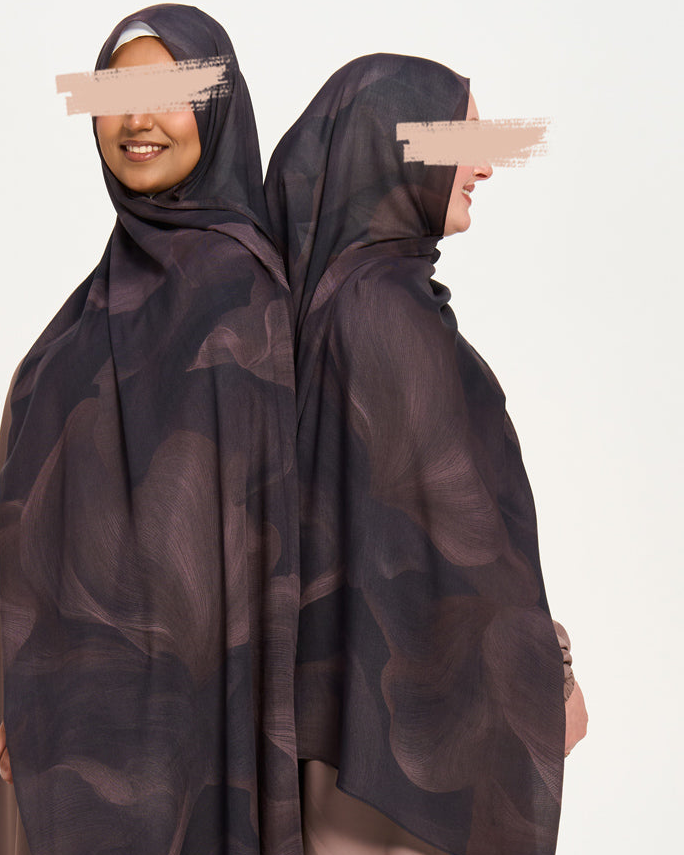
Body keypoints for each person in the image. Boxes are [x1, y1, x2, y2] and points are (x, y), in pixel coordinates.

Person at [0, 6, 302, 854]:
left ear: (218, 107)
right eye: (116, 96)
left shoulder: (248, 303)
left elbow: (241, 555)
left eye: (170, 94)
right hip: (72, 738)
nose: (136, 120)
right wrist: (40, 694)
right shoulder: (96, 303)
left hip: (193, 744)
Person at [264, 54, 588, 855]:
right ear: (393, 146)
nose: (484, 165)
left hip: (344, 724)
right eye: (464, 138)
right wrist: (550, 672)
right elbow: (456, 540)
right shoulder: (381, 315)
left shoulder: (326, 304)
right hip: (396, 762)